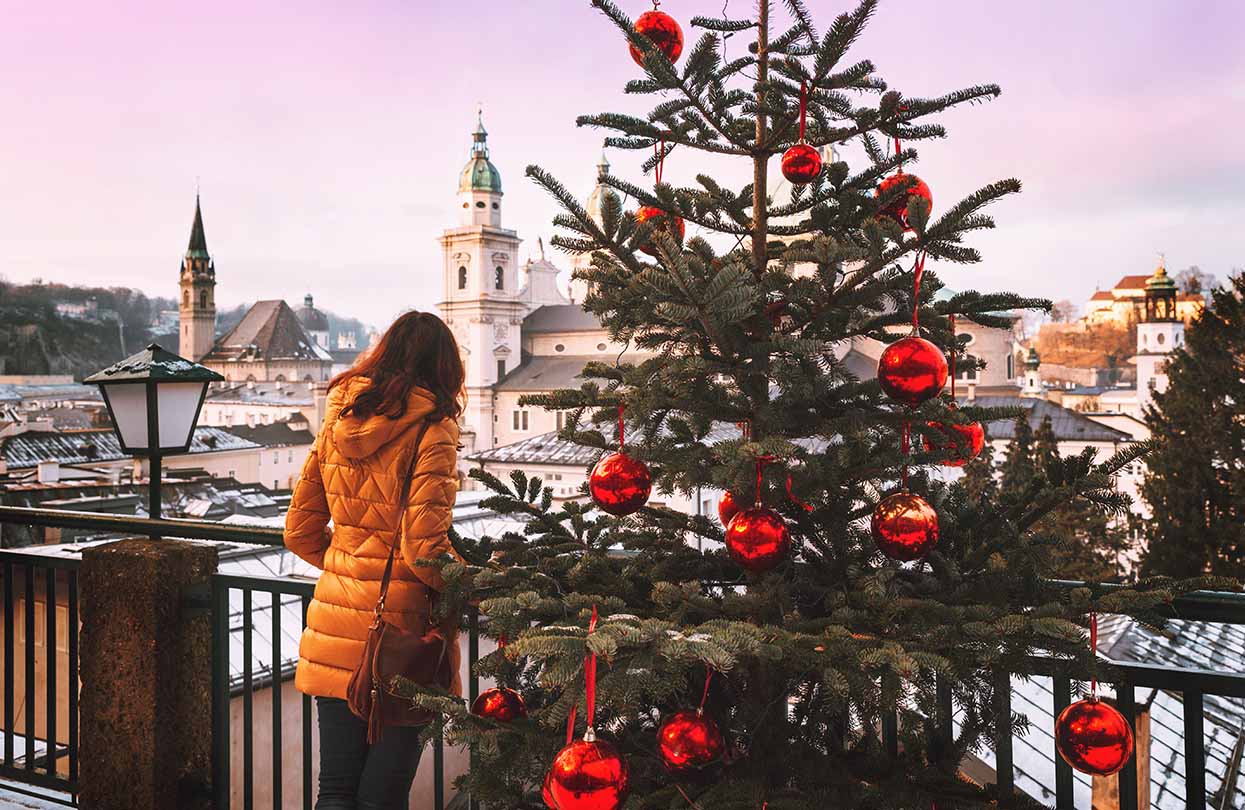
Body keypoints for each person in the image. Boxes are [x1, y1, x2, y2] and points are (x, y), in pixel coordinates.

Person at [284, 310, 464, 810]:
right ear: (444, 368)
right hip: (399, 637)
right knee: (383, 796)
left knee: (336, 791)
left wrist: (349, 566)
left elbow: (299, 532)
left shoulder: (339, 416)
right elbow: (425, 550)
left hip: (333, 630)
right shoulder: (434, 427)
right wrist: (473, 582)